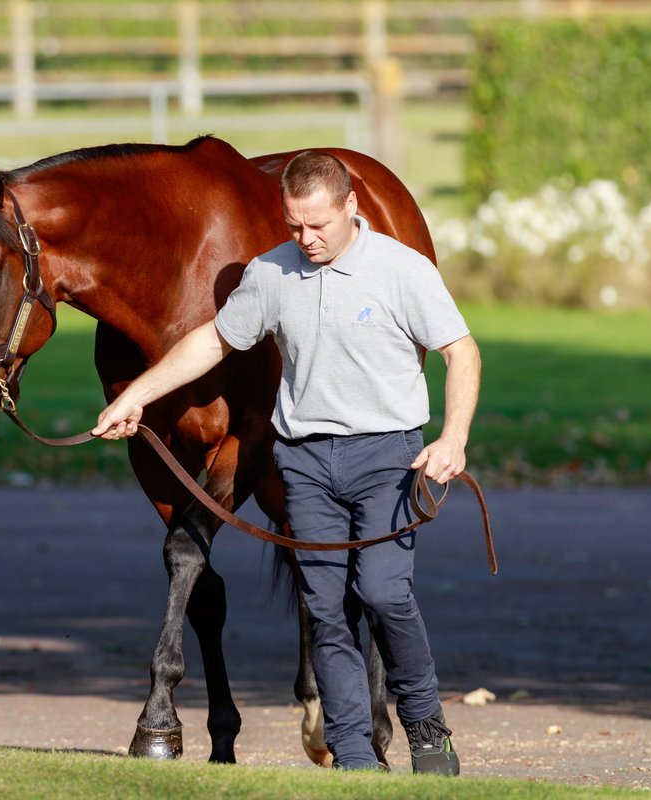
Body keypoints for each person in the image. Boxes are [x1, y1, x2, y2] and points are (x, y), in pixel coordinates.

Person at [91, 151, 480, 775]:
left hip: (388, 456)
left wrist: (453, 437)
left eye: (318, 225)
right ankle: (355, 756)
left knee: (383, 593)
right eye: (295, 225)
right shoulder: (273, 272)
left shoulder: (401, 270)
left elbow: (462, 353)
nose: (307, 239)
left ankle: (426, 725)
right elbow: (214, 340)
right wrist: (138, 394)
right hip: (304, 462)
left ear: (351, 206)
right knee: (325, 610)